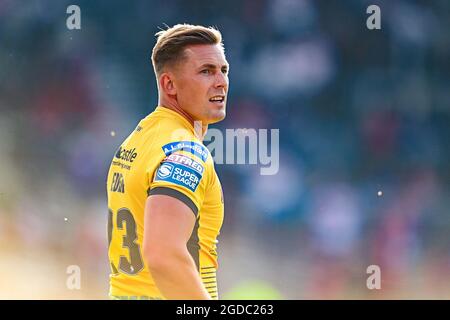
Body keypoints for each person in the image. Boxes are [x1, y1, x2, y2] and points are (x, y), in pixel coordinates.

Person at [106, 24, 229, 300]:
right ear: (169, 84)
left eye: (224, 70)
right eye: (206, 71)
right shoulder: (186, 152)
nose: (221, 81)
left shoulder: (137, 139)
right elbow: (163, 254)